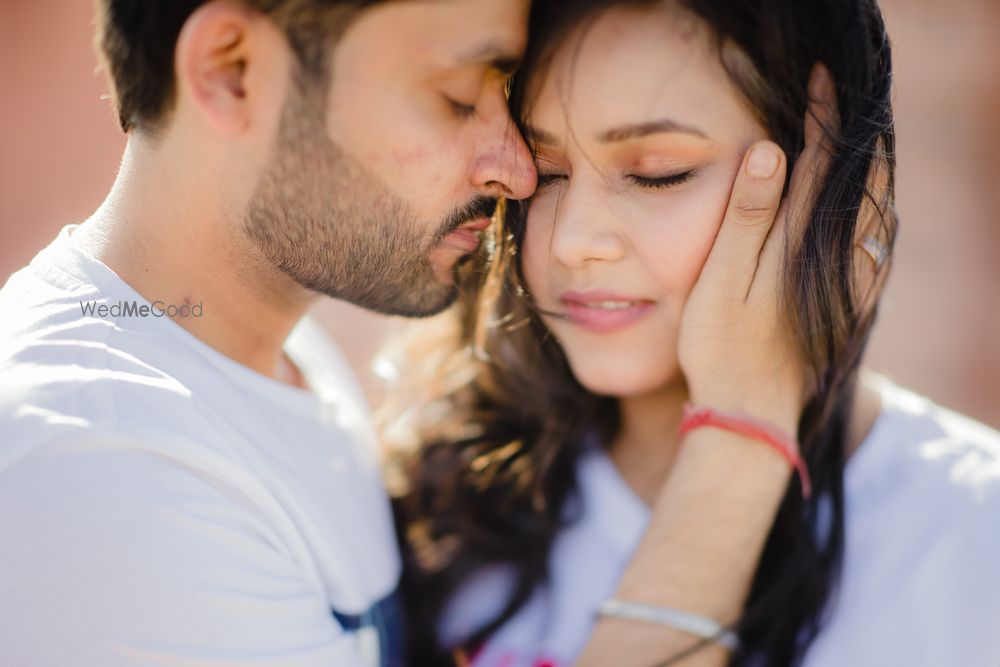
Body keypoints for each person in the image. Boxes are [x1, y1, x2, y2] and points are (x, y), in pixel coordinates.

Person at [0, 1, 829, 666]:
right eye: (460, 96)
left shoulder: (261, 359)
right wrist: (744, 425)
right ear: (233, 70)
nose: (515, 169)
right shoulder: (98, 467)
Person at [388, 1, 1000, 666]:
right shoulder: (443, 496)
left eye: (658, 173)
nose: (571, 242)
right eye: (550, 173)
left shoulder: (973, 531)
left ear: (826, 182)